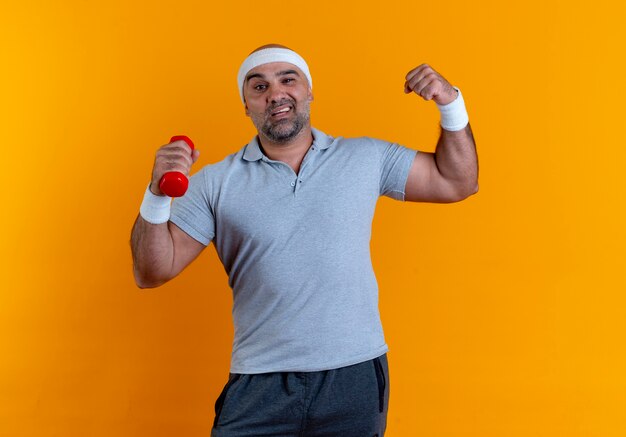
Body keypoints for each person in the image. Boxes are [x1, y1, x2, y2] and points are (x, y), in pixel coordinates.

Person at [130, 44, 478, 436]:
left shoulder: (364, 157)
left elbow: (457, 181)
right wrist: (156, 193)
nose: (275, 93)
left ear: (309, 90)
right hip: (259, 381)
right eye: (258, 86)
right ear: (246, 106)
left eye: (287, 79)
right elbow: (151, 271)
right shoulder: (215, 182)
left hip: (354, 377)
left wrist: (450, 105)